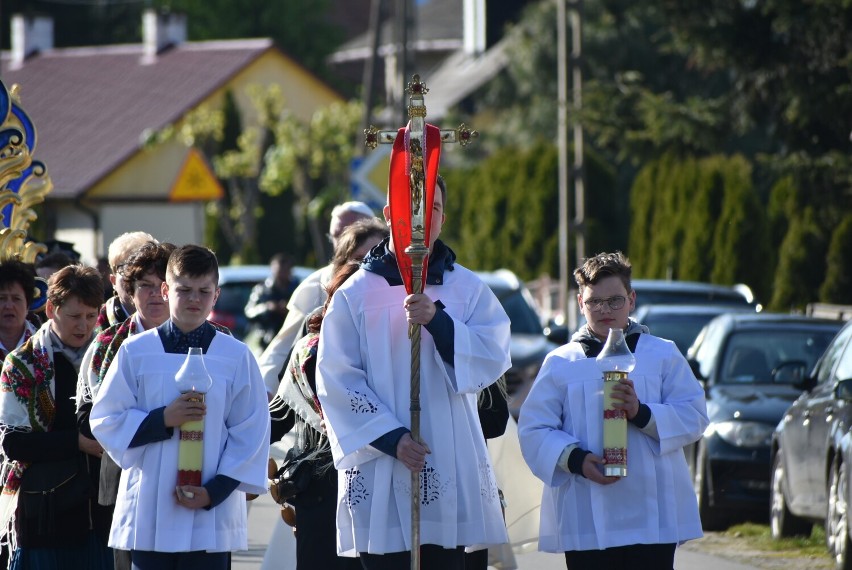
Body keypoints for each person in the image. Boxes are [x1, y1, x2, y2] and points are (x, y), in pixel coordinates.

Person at [316, 176, 512, 568]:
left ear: (443, 217)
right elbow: (336, 378)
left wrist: (439, 322)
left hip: (448, 462)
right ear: (389, 215)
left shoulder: (467, 288)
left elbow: (492, 354)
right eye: (411, 208)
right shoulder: (356, 294)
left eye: (433, 208)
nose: (422, 218)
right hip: (384, 462)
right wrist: (392, 438)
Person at [517, 251, 709, 570]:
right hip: (587, 512)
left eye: (615, 300)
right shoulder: (562, 363)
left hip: (652, 516)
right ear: (581, 303)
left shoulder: (661, 355)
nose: (605, 310)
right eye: (595, 302)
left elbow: (695, 414)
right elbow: (533, 429)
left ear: (631, 300)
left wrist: (642, 413)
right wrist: (576, 460)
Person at [89, 245, 270, 570]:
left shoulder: (235, 356)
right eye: (184, 290)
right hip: (152, 506)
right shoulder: (136, 351)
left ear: (216, 296)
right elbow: (106, 418)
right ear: (166, 290)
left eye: (204, 291)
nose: (194, 300)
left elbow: (251, 431)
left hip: (209, 511)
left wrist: (214, 492)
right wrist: (162, 420)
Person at [267, 218, 388, 570]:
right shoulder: (311, 339)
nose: (369, 270)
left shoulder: (404, 337)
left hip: (384, 494)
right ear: (338, 269)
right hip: (321, 496)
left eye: (380, 258)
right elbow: (279, 413)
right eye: (361, 259)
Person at [0, 264, 110, 569]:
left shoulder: (109, 358)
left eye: (91, 316)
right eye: (74, 316)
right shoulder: (23, 363)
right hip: (45, 514)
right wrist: (78, 443)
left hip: (101, 515)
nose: (84, 326)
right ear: (51, 309)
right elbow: (14, 443)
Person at [76, 242, 176, 570]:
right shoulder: (107, 343)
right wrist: (158, 421)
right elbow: (89, 415)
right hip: (125, 478)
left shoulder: (209, 340)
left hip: (191, 477)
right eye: (144, 285)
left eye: (163, 285)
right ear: (129, 293)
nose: (155, 294)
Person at [257, 201, 375, 396]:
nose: (343, 243)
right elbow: (284, 348)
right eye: (337, 235)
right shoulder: (315, 285)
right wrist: (264, 388)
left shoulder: (396, 280)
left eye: (353, 234)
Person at [95, 232, 156, 334]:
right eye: (128, 270)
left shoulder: (174, 321)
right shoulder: (91, 323)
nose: (136, 279)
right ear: (113, 281)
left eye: (145, 270)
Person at [244, 253, 299, 352]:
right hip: (266, 341)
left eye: (285, 270)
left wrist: (290, 309)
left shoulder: (297, 289)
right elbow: (249, 312)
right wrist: (268, 307)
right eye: (279, 271)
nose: (282, 274)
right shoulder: (262, 290)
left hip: (292, 341)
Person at [0, 261, 39, 361]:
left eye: (16, 299)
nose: (9, 306)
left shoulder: (43, 344)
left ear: (28, 305)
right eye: (2, 298)